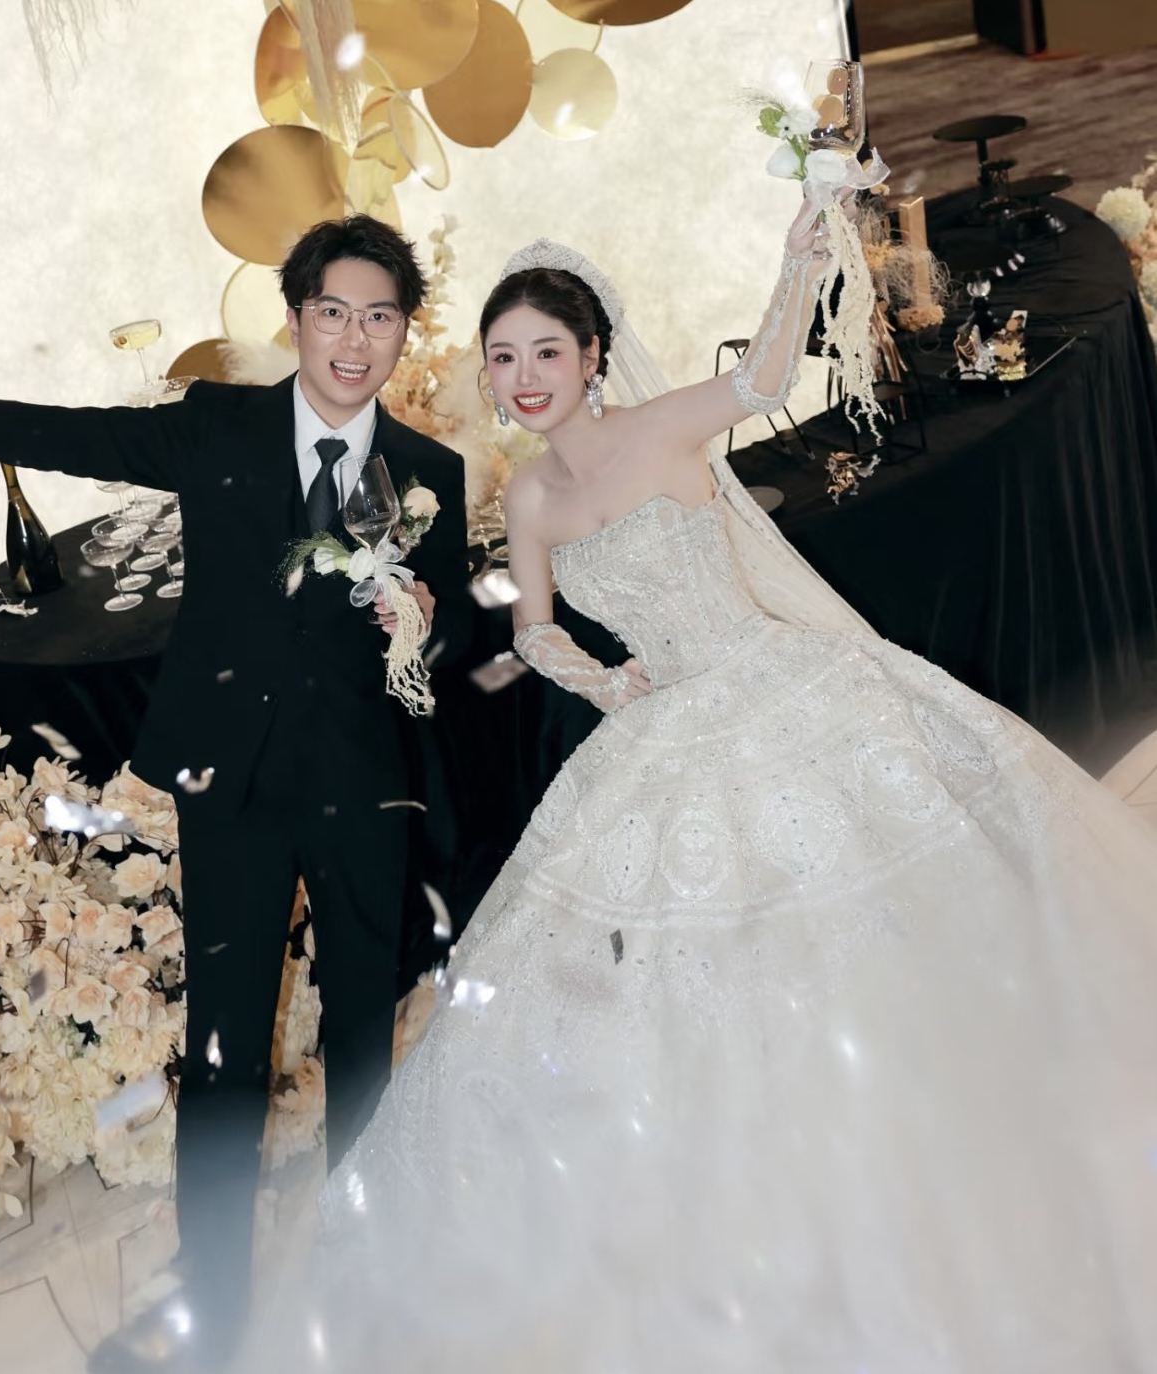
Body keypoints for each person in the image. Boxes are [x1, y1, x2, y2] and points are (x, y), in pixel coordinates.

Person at [259, 194, 1157, 1373]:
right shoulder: (529, 495)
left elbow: (766, 376)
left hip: (775, 679)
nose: (525, 378)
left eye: (546, 352)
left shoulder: (662, 424)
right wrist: (598, 676)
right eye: (504, 357)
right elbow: (530, 628)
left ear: (591, 356)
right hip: (659, 720)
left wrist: (792, 268)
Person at [0, 215, 473, 1374]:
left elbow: (454, 626)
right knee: (223, 1053)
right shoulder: (221, 424)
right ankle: (211, 1308)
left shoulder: (428, 472)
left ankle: (368, 1274)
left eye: (379, 315)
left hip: (361, 788)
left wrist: (421, 615)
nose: (354, 337)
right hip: (232, 789)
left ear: (403, 330)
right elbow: (66, 434)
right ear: (296, 319)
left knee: (364, 1040)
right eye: (333, 311)